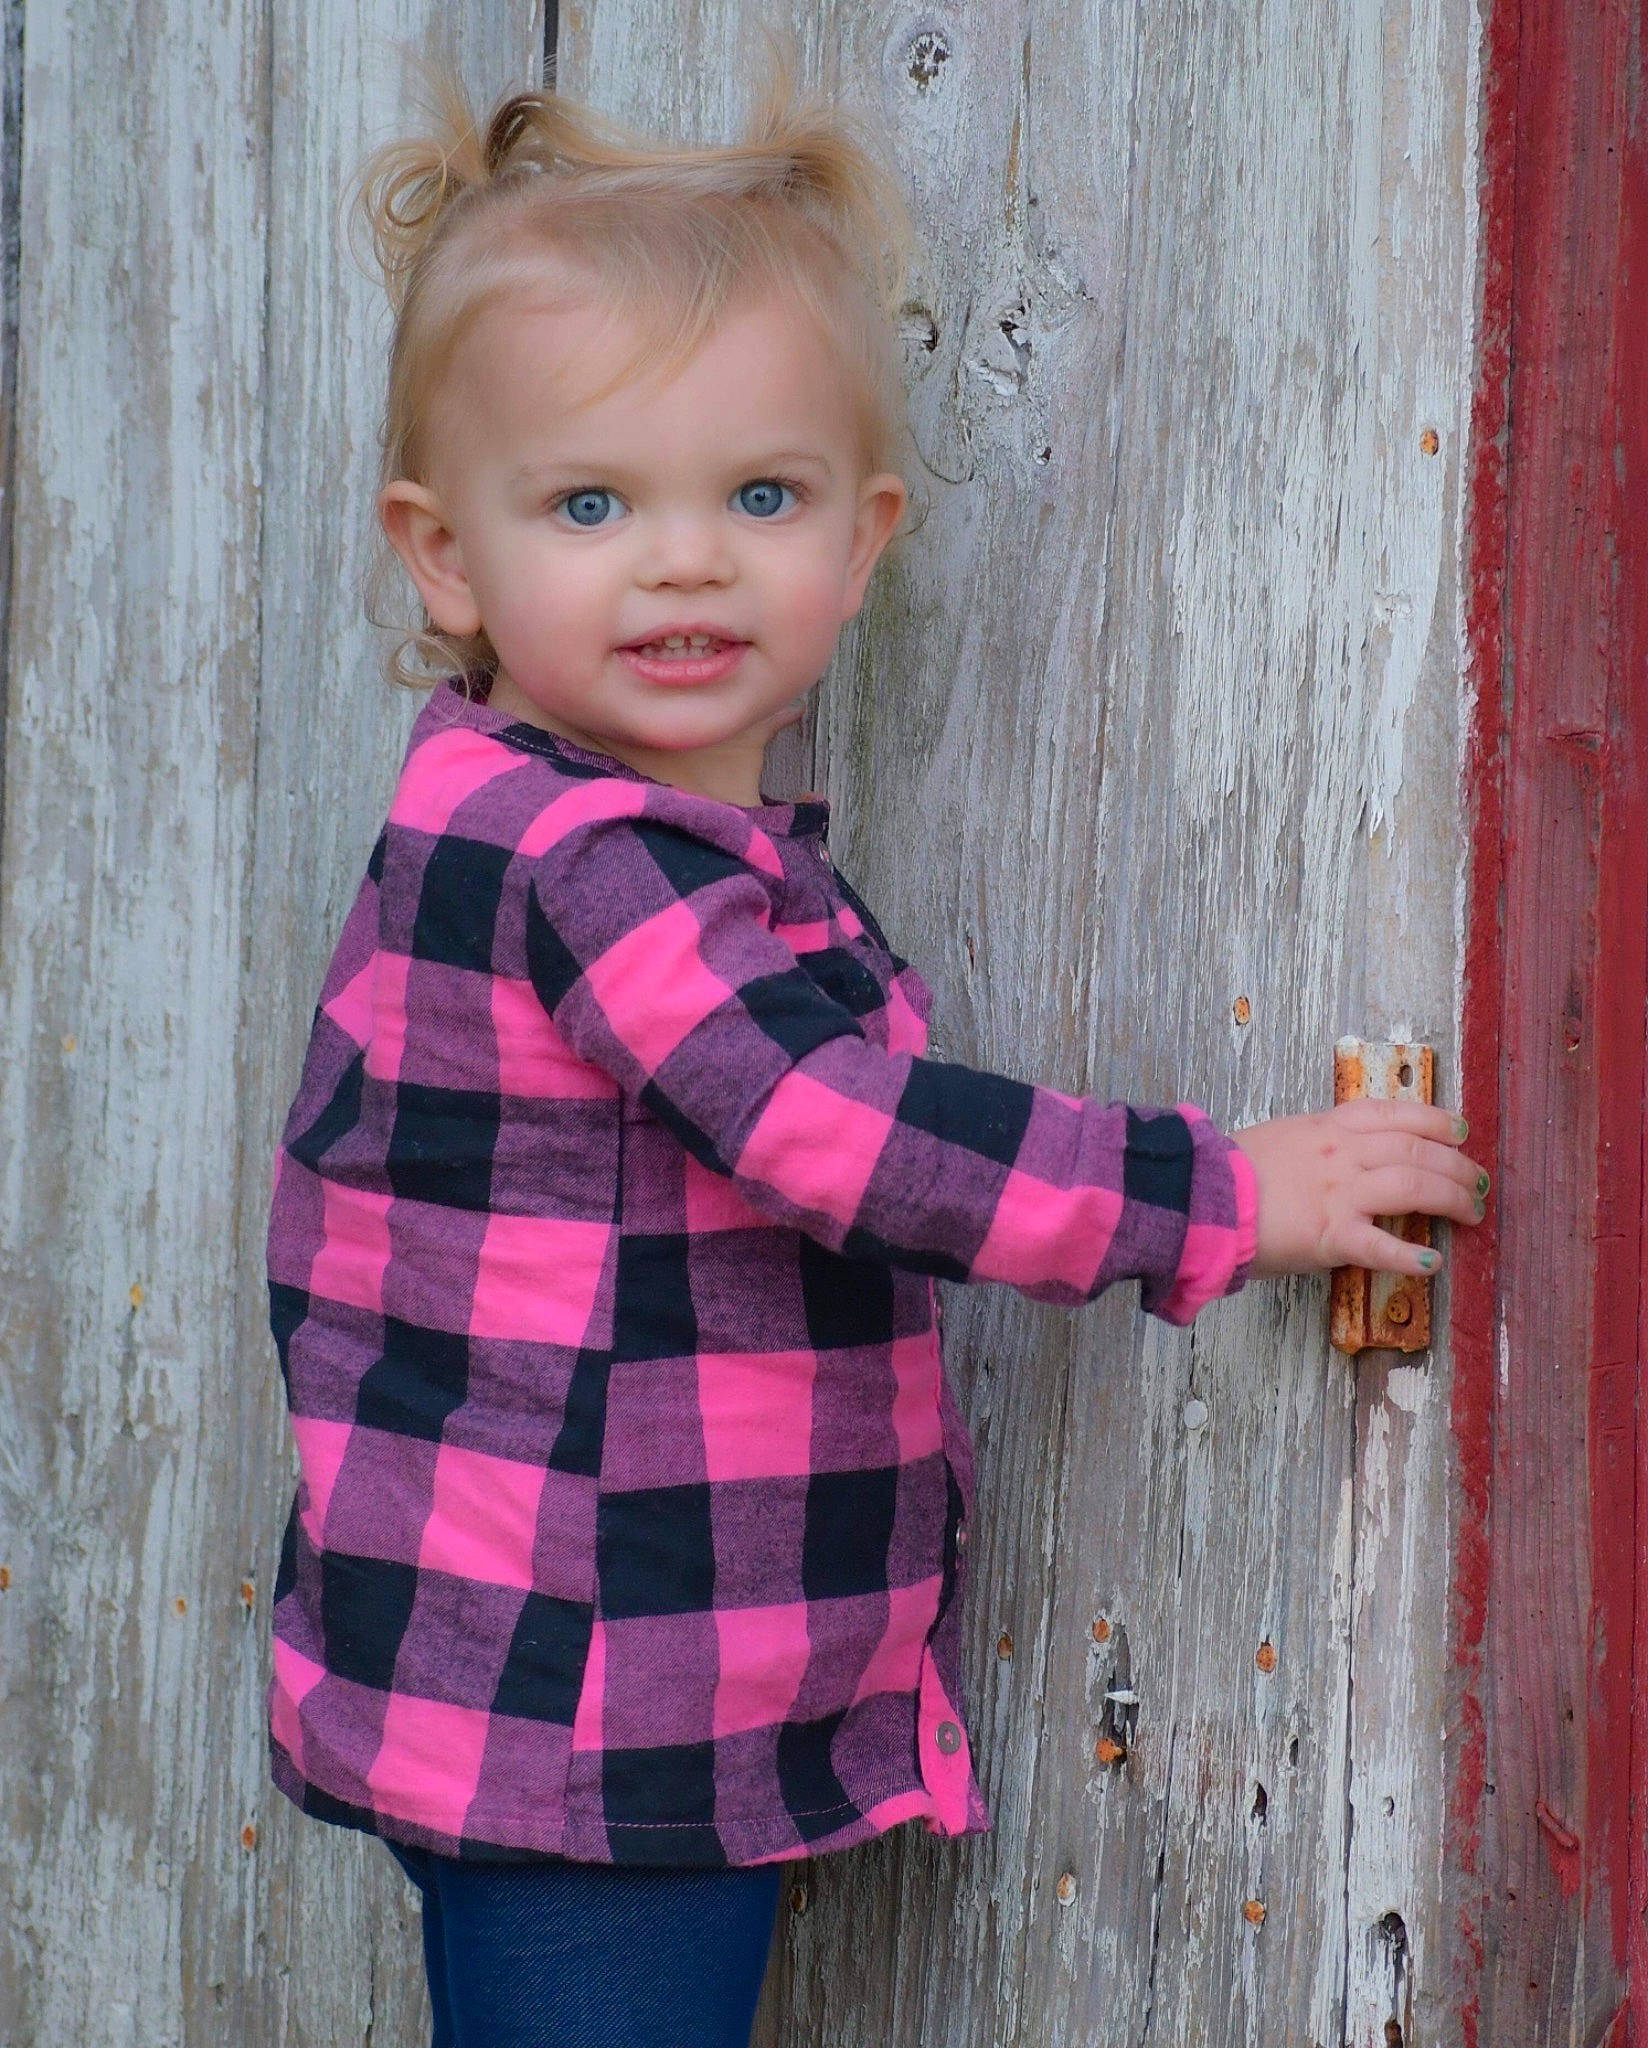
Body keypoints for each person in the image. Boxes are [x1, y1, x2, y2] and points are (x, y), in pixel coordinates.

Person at [262, 66, 1488, 2048]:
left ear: (862, 538)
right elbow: (839, 1132)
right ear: (445, 558)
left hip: (563, 1678)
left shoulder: (573, 825)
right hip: (586, 1709)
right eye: (592, 503)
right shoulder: (587, 862)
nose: (684, 560)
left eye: (760, 495)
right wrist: (1227, 1191)